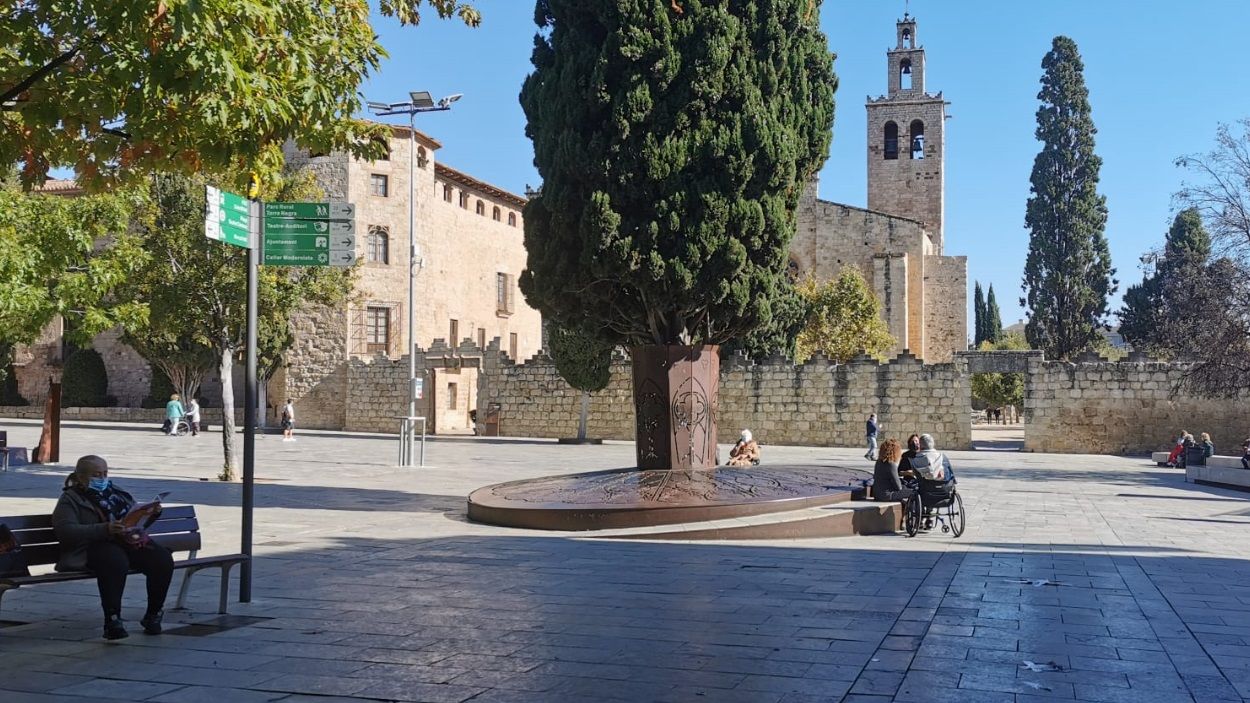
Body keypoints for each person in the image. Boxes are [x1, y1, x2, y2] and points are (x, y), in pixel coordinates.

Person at [51, 455, 174, 640]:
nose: (102, 478)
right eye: (96, 475)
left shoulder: (116, 493)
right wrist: (104, 529)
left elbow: (135, 518)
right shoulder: (70, 499)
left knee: (161, 558)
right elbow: (65, 531)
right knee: (114, 560)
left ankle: (153, 614)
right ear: (81, 477)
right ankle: (113, 620)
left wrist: (151, 514)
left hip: (126, 541)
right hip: (92, 546)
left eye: (105, 473)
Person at [872, 438, 913, 503]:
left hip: (877, 494)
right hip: (887, 495)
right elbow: (898, 487)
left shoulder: (878, 462)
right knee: (913, 492)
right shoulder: (891, 465)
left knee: (905, 488)